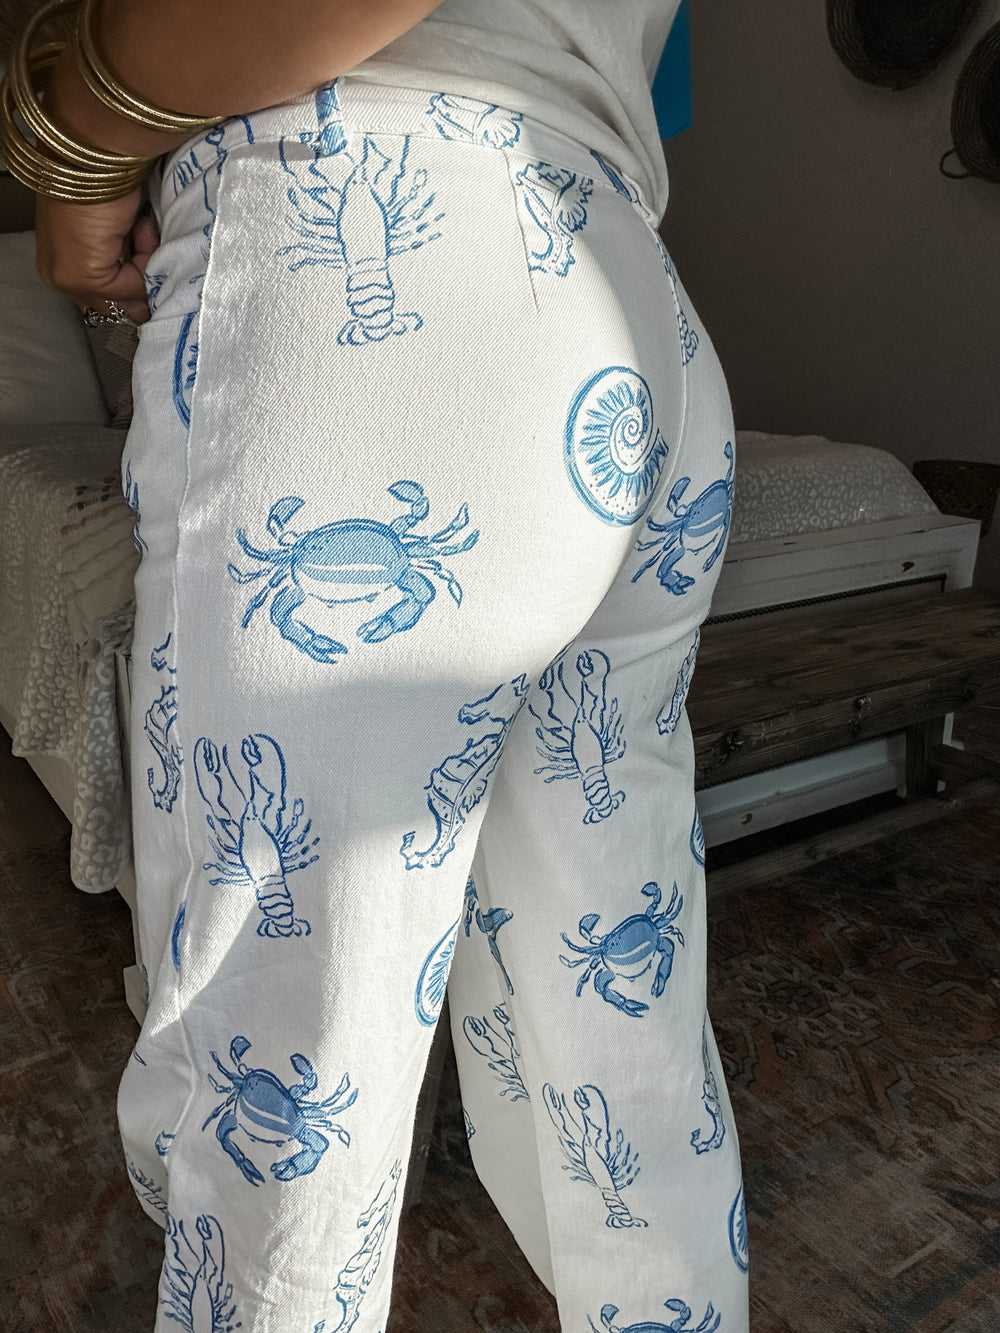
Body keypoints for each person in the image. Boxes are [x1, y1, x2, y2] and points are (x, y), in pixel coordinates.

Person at [6, 1, 749, 1328]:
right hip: (631, 307)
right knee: (621, 1055)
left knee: (291, 1070)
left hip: (359, 264)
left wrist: (75, 138)